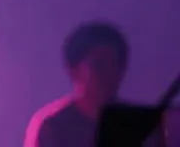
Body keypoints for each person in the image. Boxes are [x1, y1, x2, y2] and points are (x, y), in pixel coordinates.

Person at [24, 22, 168, 147]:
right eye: (99, 65)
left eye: (115, 65)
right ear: (74, 71)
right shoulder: (54, 128)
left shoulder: (143, 125)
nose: (109, 74)